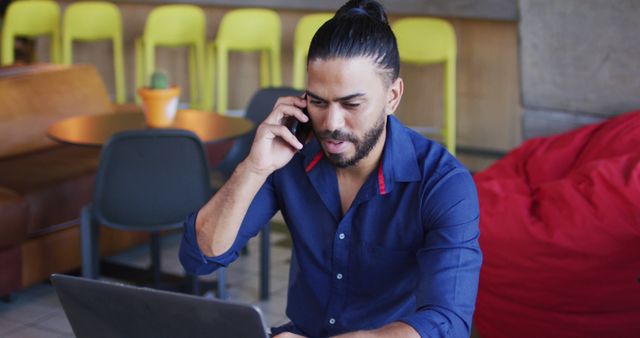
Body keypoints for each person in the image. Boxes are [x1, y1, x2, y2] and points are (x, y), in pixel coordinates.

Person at [180, 0, 482, 336]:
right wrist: (254, 168)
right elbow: (201, 257)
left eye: (351, 103)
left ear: (392, 96)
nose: (331, 123)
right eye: (318, 102)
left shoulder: (443, 183)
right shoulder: (290, 155)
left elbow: (448, 323)